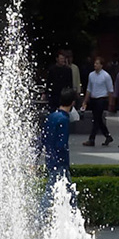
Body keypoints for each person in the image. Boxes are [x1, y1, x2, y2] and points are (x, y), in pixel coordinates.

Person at [40, 88, 76, 217]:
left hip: (50, 159)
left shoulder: (52, 116)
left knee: (63, 190)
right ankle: (39, 219)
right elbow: (62, 144)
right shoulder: (64, 120)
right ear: (72, 103)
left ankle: (73, 217)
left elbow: (42, 139)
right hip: (60, 161)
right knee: (53, 192)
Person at [84, 57, 115, 147]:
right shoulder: (91, 75)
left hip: (101, 99)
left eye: (97, 63)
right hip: (93, 98)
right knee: (98, 119)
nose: (95, 65)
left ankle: (92, 139)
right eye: (95, 63)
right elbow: (89, 88)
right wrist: (85, 101)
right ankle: (107, 135)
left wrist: (110, 103)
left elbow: (110, 90)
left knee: (96, 119)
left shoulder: (106, 76)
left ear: (101, 65)